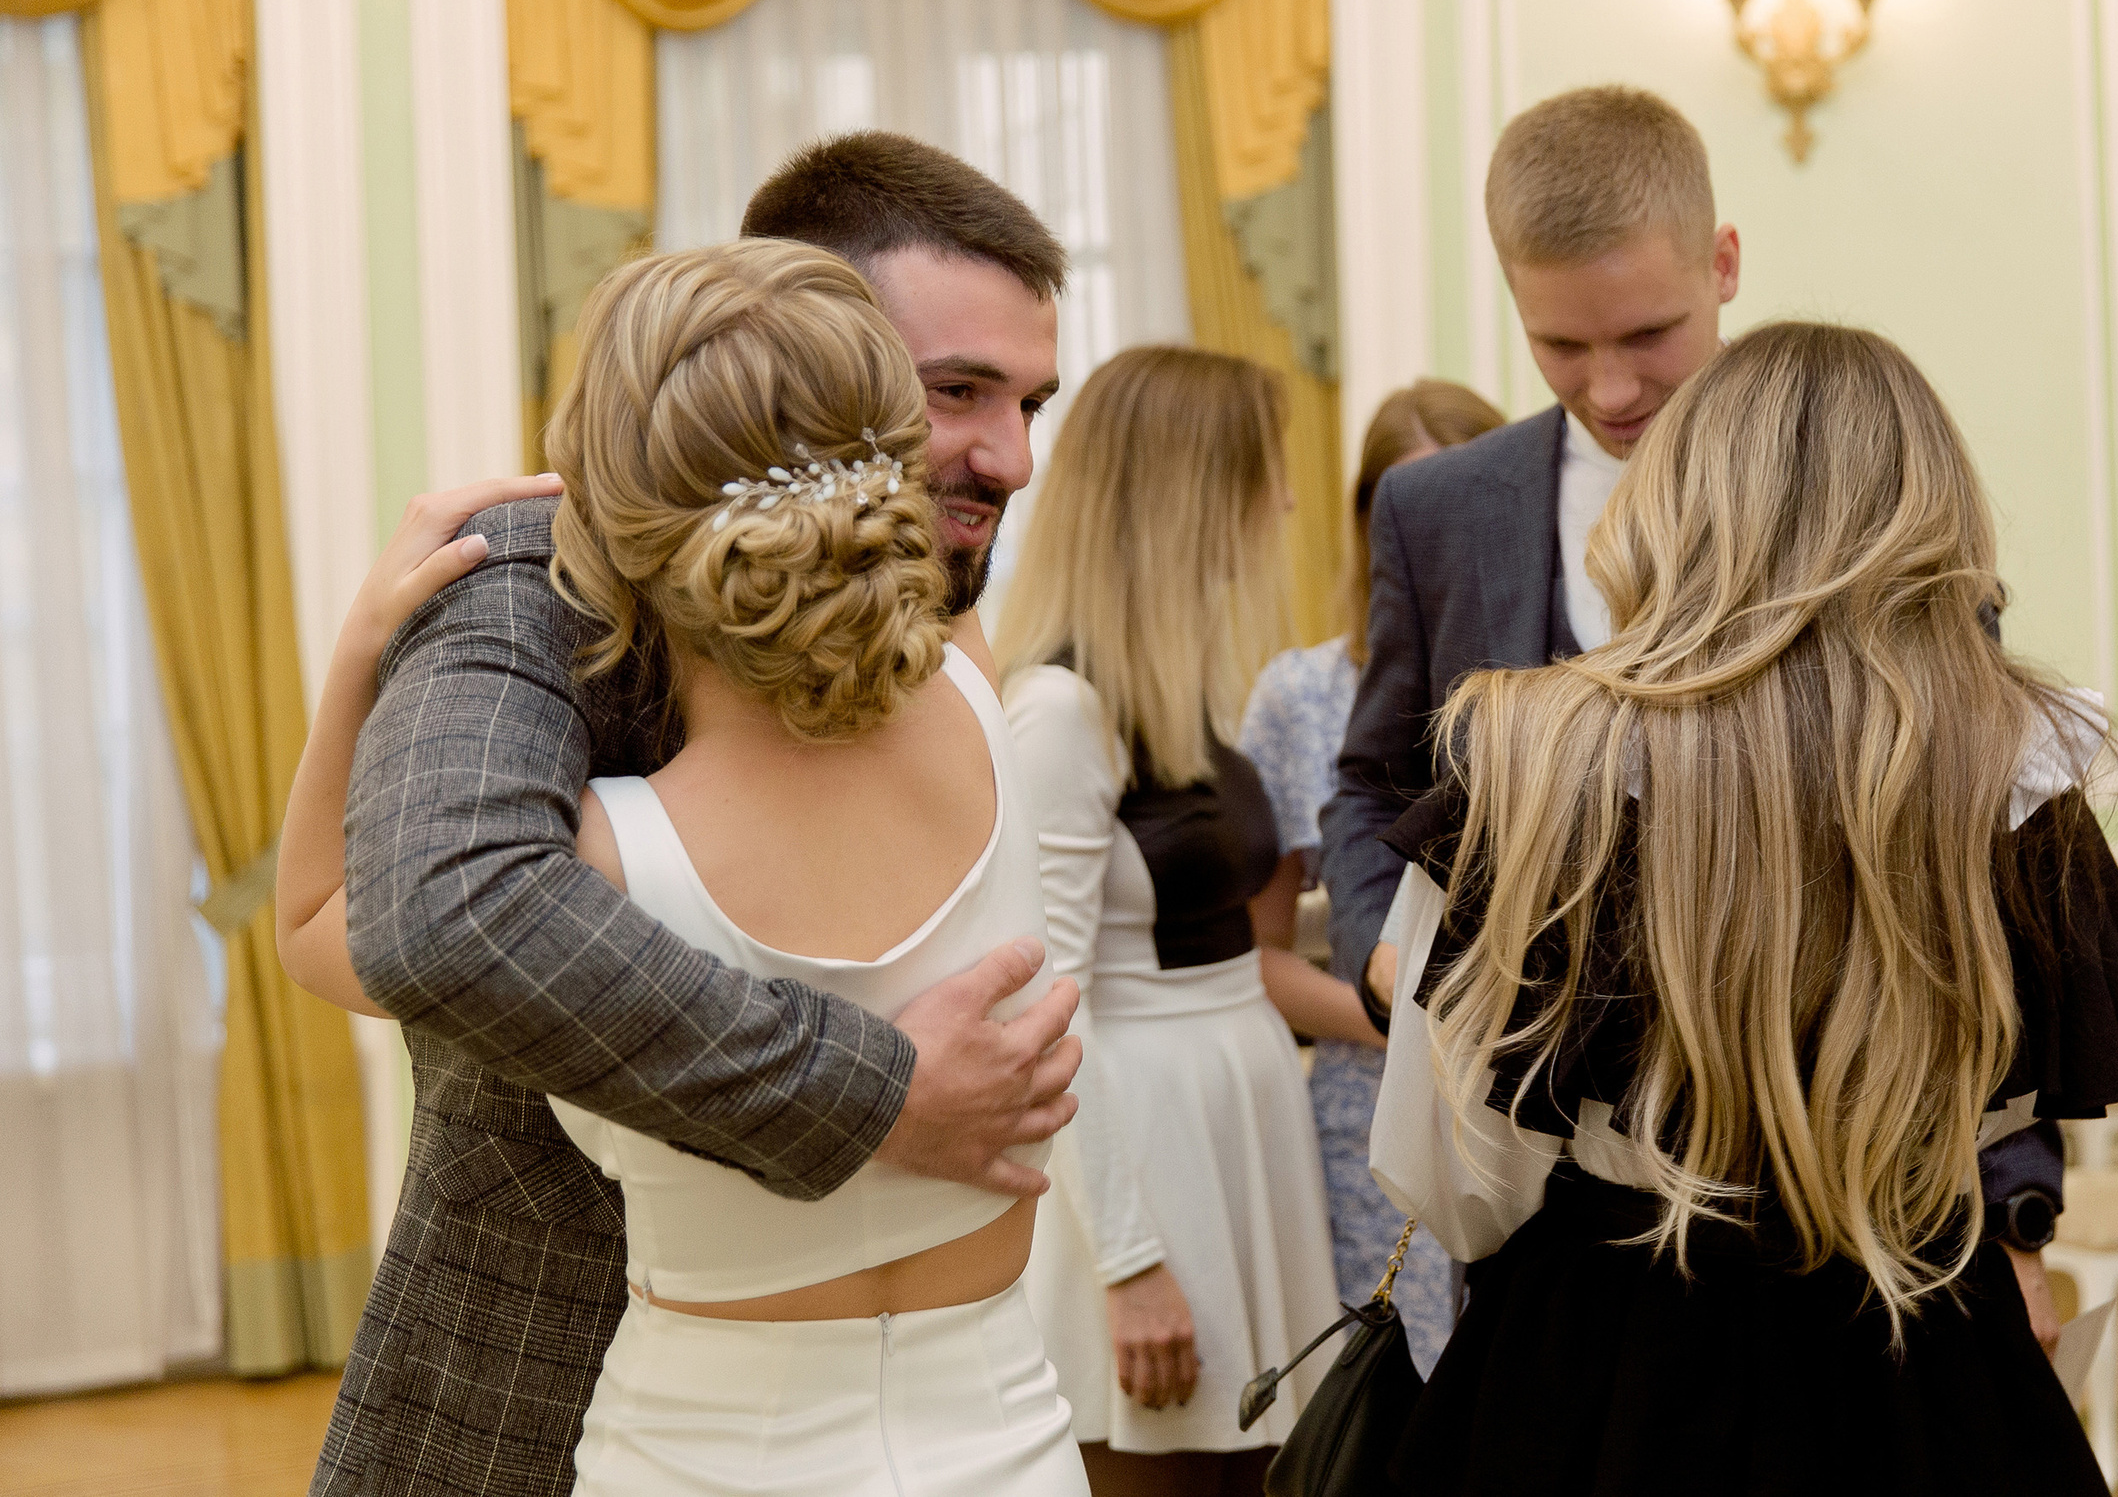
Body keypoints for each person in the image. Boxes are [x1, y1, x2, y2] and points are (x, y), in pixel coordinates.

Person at [287, 136, 1088, 1497]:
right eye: (957, 390)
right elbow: (452, 913)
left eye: (1030, 401)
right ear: (834, 353)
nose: (1007, 454)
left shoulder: (625, 836)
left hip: (718, 1421)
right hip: (573, 1363)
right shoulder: (975, 687)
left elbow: (327, 926)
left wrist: (355, 663)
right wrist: (876, 1089)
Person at [1319, 84, 2071, 1340]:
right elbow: (1371, 782)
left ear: (1722, 265)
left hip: (1840, 1209)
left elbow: (1962, 869)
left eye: (1648, 334)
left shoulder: (1868, 503)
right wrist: (1383, 955)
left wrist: (2013, 1213)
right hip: (1538, 1226)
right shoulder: (1436, 511)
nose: (1608, 388)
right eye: (1559, 346)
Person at [1367, 322, 2118, 1496]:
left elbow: (1453, 1175)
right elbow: (2006, 1109)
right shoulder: (2020, 771)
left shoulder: (1530, 761)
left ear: (1677, 501)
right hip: (1917, 1337)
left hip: (1607, 1353)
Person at [997, 346, 1337, 1497]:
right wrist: (1131, 1261)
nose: (1285, 502)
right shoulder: (1058, 709)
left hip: (1237, 1128)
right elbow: (1046, 1007)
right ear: (1194, 489)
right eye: (1265, 472)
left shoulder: (1178, 697)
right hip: (1145, 1156)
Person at [1235, 379, 1505, 1374]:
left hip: (1530, 1116)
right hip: (1360, 1127)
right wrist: (1405, 1017)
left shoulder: (1557, 692)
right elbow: (1252, 957)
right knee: (1383, 1408)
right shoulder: (1301, 693)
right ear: (1371, 527)